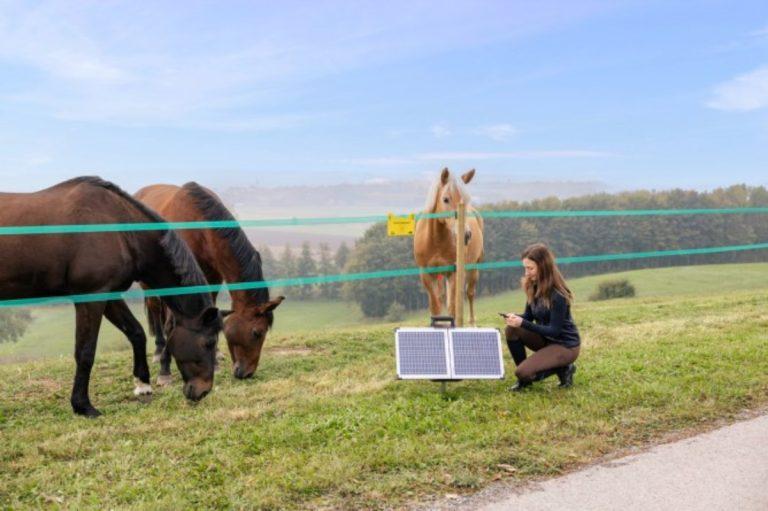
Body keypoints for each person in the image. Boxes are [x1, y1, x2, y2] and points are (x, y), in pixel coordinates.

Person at [502, 243, 581, 391]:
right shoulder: (533, 286)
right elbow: (528, 317)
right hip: (546, 340)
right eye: (525, 268)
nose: (526, 273)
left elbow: (554, 331)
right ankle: (525, 381)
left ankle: (564, 368)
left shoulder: (558, 295)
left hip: (565, 345)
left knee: (522, 373)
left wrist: (522, 323)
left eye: (530, 268)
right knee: (511, 329)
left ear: (543, 267)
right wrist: (515, 318)